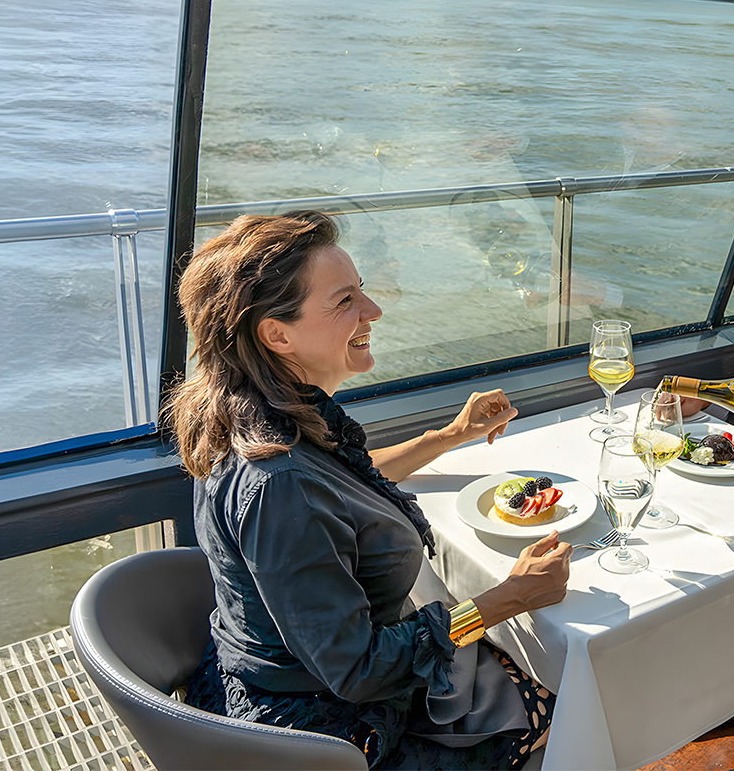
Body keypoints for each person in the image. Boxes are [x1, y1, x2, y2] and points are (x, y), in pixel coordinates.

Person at [165, 210, 571, 770]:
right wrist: (510, 599)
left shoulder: (256, 416)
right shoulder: (280, 485)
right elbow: (361, 669)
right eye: (345, 301)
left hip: (275, 673)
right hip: (322, 730)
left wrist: (451, 435)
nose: (373, 311)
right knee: (559, 705)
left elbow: (344, 484)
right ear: (276, 334)